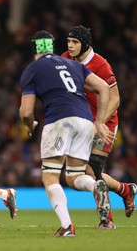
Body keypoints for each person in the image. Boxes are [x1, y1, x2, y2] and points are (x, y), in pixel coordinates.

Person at [19, 30, 113, 237]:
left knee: (50, 176)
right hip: (85, 122)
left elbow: (26, 111)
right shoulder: (75, 65)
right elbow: (104, 88)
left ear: (34, 48)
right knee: (74, 176)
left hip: (59, 121)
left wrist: (29, 123)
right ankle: (96, 185)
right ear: (52, 46)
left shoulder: (32, 69)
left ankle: (66, 226)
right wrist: (99, 121)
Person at [61, 25, 137, 229]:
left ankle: (107, 219)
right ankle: (125, 190)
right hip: (81, 123)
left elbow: (115, 99)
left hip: (105, 123)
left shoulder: (101, 65)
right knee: (77, 174)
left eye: (75, 42)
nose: (70, 46)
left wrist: (101, 122)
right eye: (69, 41)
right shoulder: (65, 59)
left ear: (85, 44)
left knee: (93, 169)